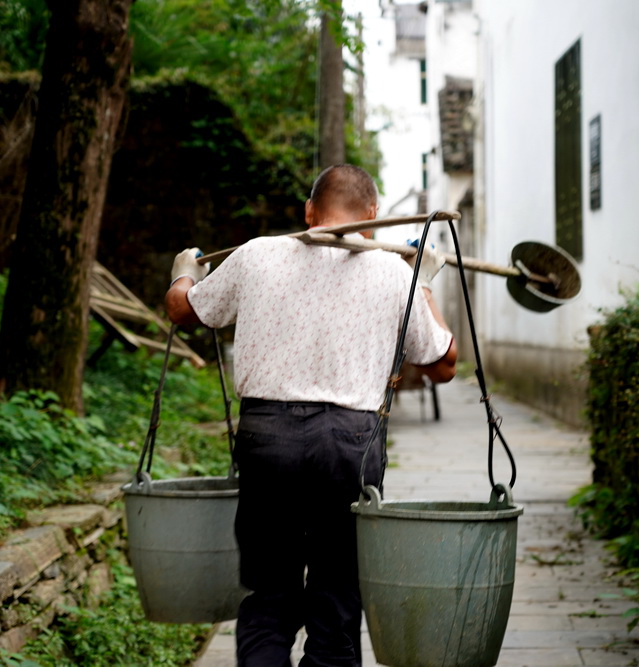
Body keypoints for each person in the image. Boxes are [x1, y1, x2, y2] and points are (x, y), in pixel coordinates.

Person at [165, 164, 457, 667]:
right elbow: (444, 365)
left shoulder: (255, 255)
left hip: (268, 440)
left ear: (307, 212)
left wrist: (185, 273)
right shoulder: (393, 272)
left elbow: (183, 310)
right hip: (350, 446)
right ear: (371, 217)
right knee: (338, 598)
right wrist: (424, 283)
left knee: (270, 595)